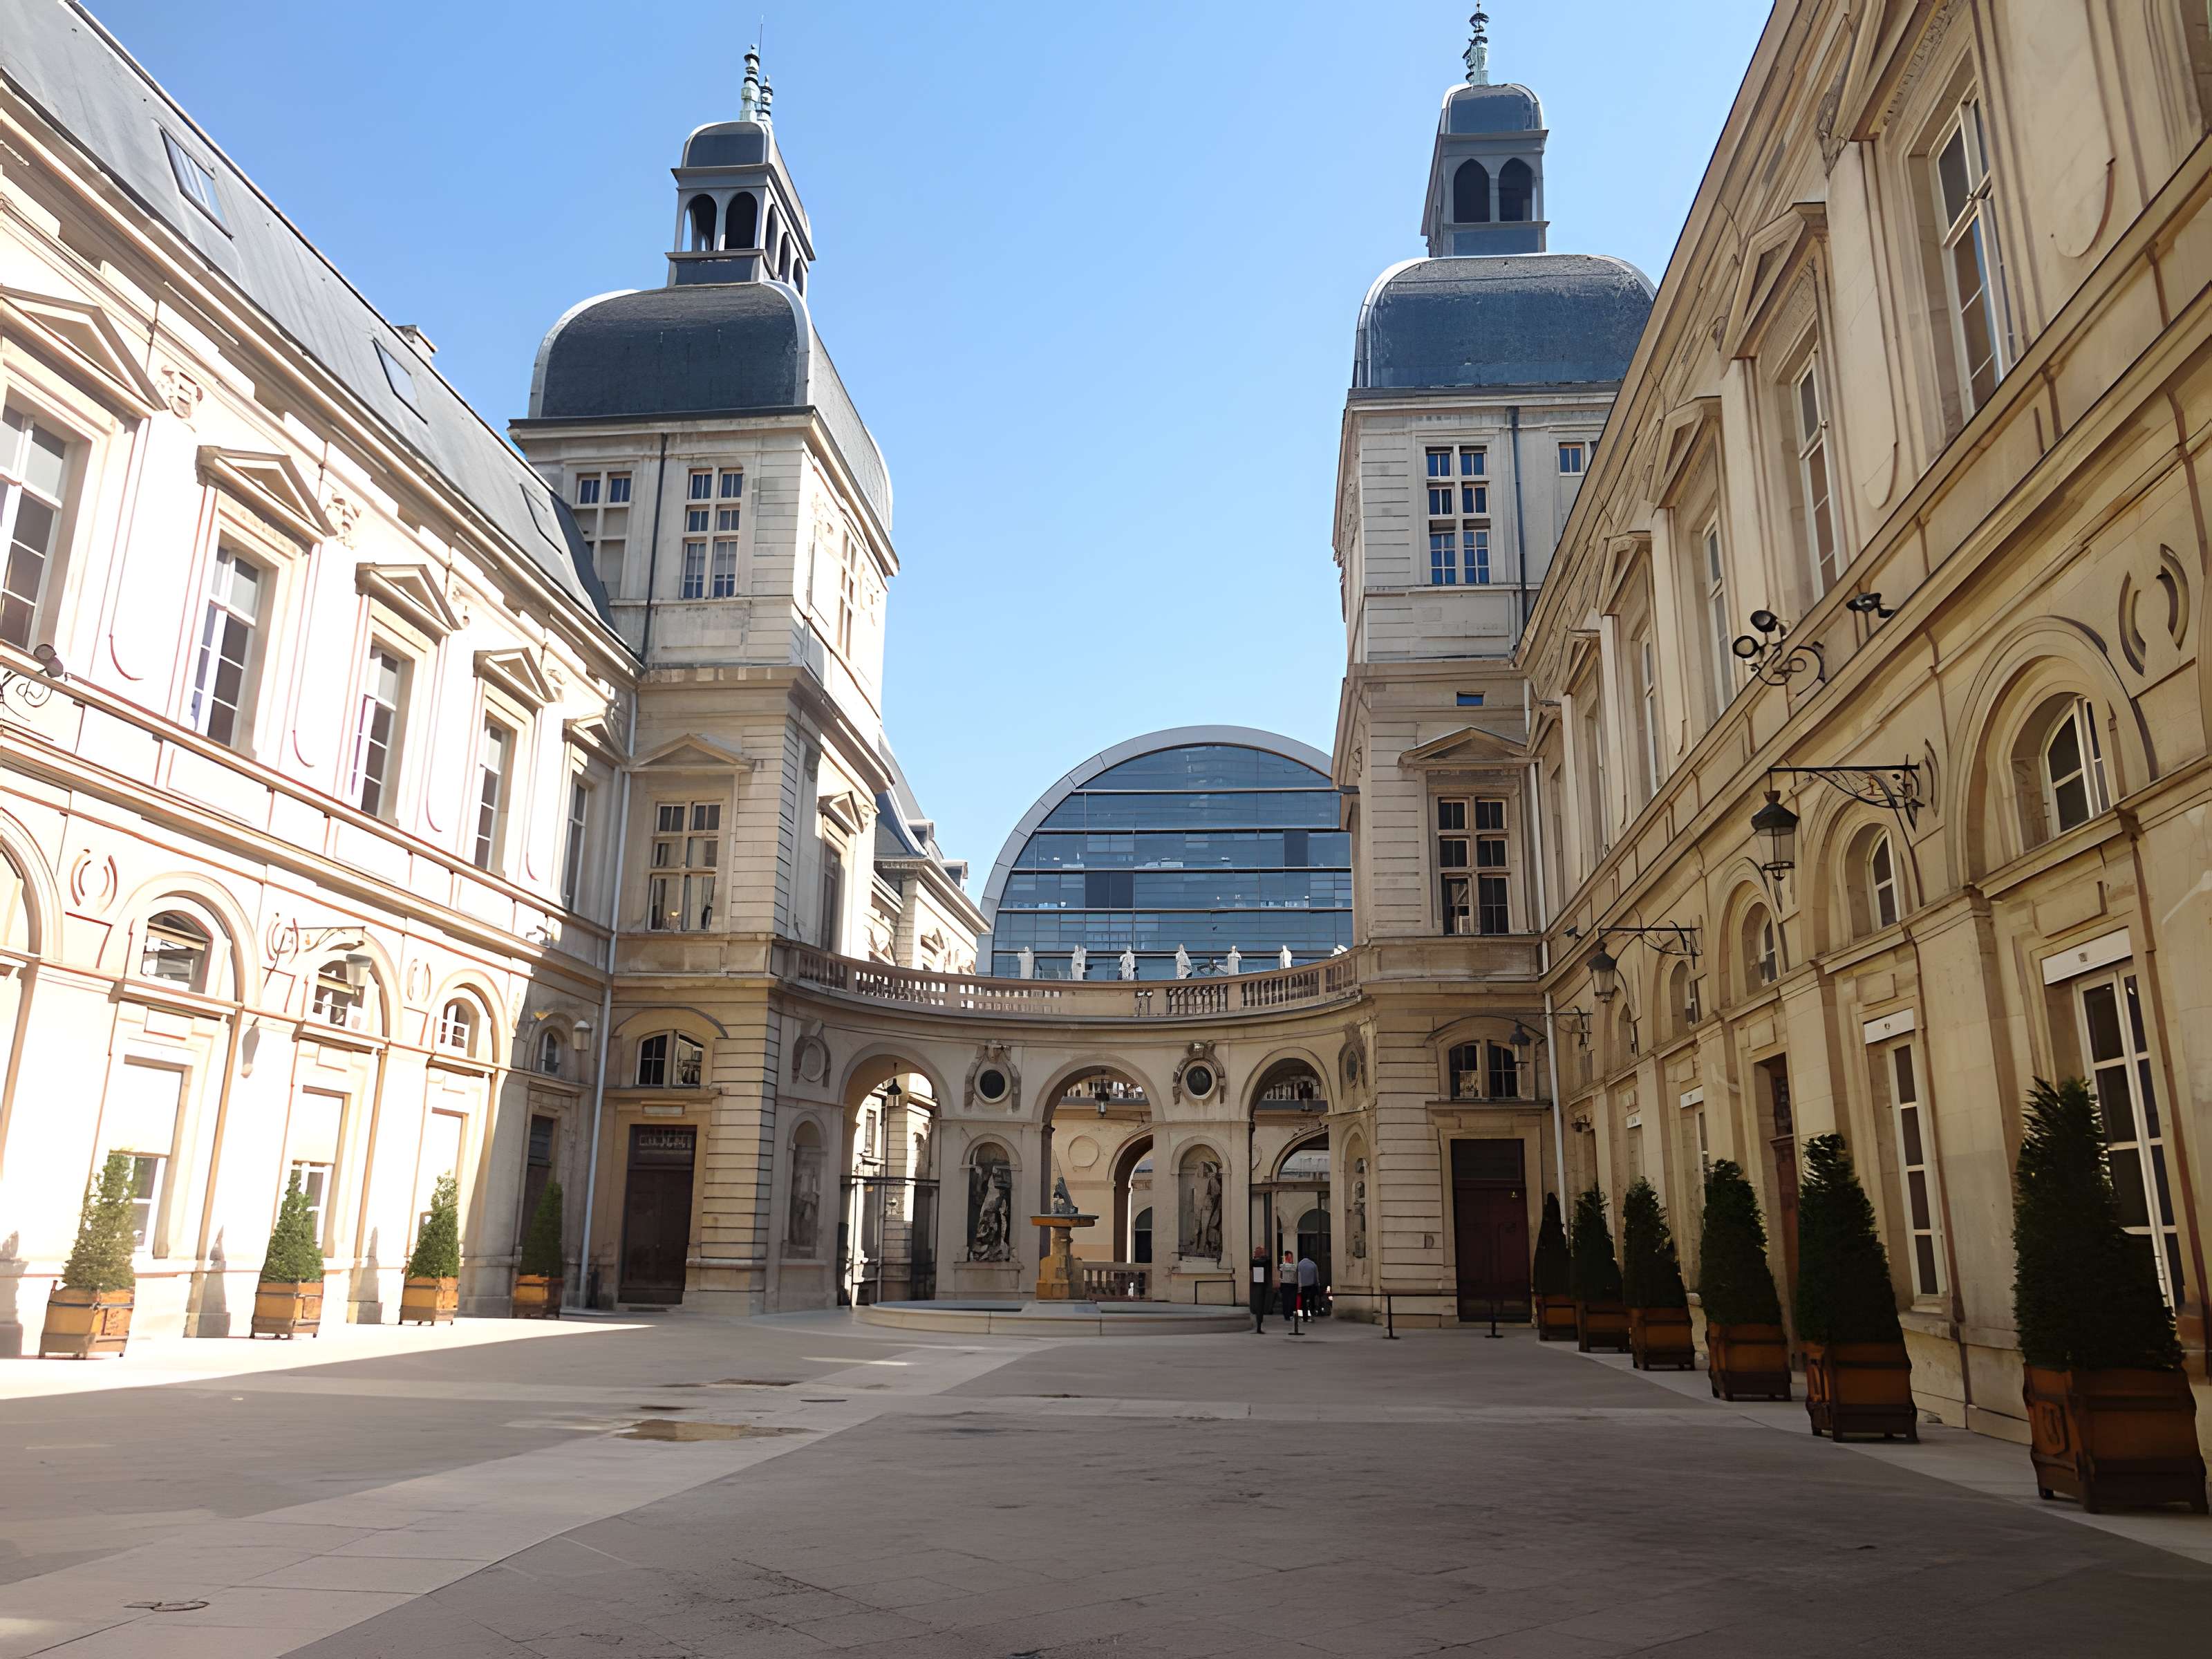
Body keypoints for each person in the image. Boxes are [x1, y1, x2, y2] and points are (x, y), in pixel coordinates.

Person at [1277, 1250, 1301, 1333]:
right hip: (1286, 1284)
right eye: (1289, 1257)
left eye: (1291, 1257)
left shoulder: (1291, 1266)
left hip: (1292, 1284)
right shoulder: (1285, 1266)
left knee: (1292, 1300)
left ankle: (1290, 1314)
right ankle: (1287, 1315)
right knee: (1286, 1300)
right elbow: (1283, 1270)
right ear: (1286, 1257)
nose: (1291, 1259)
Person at [1249, 1247, 1270, 1333]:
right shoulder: (1263, 1261)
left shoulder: (1253, 1262)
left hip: (1255, 1285)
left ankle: (1259, 1325)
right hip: (1261, 1286)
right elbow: (1266, 1260)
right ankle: (1259, 1326)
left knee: (1258, 1306)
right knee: (1260, 1306)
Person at [1297, 1250, 1321, 1322]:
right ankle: (1312, 1316)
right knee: (1312, 1301)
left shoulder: (1300, 1264)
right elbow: (1316, 1277)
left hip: (1303, 1286)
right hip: (1311, 1286)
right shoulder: (1313, 1264)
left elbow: (1297, 1276)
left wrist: (1298, 1286)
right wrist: (1317, 1285)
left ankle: (1305, 1318)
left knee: (1304, 1302)